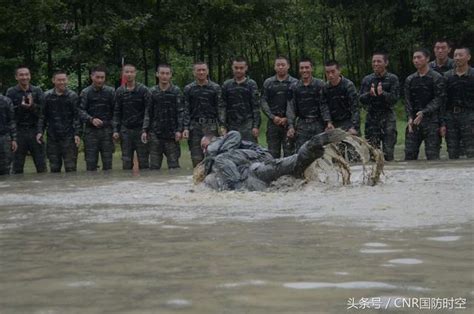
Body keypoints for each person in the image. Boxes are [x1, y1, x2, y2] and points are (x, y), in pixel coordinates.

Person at [198, 128, 347, 191]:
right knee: (288, 166)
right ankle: (309, 148)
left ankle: (310, 148)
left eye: (205, 146)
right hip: (256, 170)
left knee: (282, 169)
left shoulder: (218, 152)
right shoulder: (218, 161)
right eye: (203, 148)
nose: (205, 150)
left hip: (250, 174)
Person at [404, 49, 445, 160]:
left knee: (433, 156)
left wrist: (424, 112)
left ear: (427, 59)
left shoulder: (436, 77)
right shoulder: (410, 79)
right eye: (414, 58)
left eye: (419, 57)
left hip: (431, 121)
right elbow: (407, 100)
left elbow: (439, 99)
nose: (416, 60)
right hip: (414, 122)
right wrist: (409, 117)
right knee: (409, 155)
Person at [37, 71, 81, 172]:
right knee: (54, 168)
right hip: (52, 137)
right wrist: (40, 132)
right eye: (59, 80)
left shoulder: (72, 96)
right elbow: (42, 116)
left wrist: (77, 134)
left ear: (67, 80)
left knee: (71, 167)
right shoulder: (46, 96)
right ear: (53, 81)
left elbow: (77, 117)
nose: (62, 82)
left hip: (69, 137)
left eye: (64, 80)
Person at [143, 64, 185, 169]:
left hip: (172, 135)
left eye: (167, 73)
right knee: (154, 168)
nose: (164, 76)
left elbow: (180, 112)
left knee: (174, 168)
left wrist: (179, 130)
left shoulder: (176, 91)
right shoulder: (151, 92)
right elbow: (148, 112)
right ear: (157, 74)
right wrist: (145, 130)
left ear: (171, 75)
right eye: (162, 73)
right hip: (155, 135)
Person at [183, 62, 225, 167]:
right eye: (198, 70)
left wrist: (222, 125)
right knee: (196, 159)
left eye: (203, 70)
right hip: (195, 127)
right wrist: (186, 128)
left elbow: (220, 108)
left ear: (207, 71)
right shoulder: (189, 89)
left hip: (211, 127)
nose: (201, 72)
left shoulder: (215, 88)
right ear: (194, 72)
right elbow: (186, 109)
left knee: (212, 156)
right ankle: (197, 181)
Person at [359, 52, 400, 161]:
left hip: (388, 118)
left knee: (388, 153)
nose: (376, 64)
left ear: (386, 63)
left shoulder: (392, 79)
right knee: (373, 155)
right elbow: (361, 99)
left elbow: (395, 99)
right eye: (374, 61)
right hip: (372, 119)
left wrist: (383, 94)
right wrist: (369, 94)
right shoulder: (367, 79)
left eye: (379, 61)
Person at [287, 58, 334, 150]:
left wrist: (328, 122)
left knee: (322, 153)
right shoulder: (294, 87)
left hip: (318, 124)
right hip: (302, 125)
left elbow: (325, 105)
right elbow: (291, 108)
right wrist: (291, 126)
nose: (304, 70)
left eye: (307, 67)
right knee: (302, 154)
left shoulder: (320, 84)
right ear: (299, 70)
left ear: (311, 68)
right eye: (302, 68)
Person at [6, 66, 46, 174]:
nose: (24, 77)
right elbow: (9, 115)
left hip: (35, 131)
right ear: (16, 77)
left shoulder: (37, 91)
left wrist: (32, 106)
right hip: (19, 131)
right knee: (17, 167)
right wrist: (21, 106)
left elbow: (43, 114)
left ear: (30, 76)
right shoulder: (11, 92)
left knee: (41, 166)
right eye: (21, 75)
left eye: (26, 74)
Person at [113, 64, 150, 170]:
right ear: (123, 74)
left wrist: (145, 130)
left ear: (135, 73)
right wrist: (116, 130)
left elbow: (148, 111)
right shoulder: (119, 91)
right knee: (126, 163)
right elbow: (117, 112)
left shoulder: (143, 90)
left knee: (144, 162)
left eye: (131, 72)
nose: (129, 74)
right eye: (127, 72)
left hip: (140, 130)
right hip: (125, 131)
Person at [78, 66, 116, 171]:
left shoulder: (111, 92)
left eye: (102, 77)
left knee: (108, 165)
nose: (100, 80)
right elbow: (80, 111)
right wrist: (91, 119)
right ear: (92, 77)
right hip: (91, 133)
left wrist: (115, 130)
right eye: (97, 77)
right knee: (90, 165)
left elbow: (116, 112)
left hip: (107, 132)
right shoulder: (85, 92)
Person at [261, 56, 298, 158]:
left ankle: (289, 174)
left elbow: (297, 103)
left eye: (283, 65)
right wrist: (272, 117)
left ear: (288, 66)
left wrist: (288, 119)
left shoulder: (294, 83)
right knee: (272, 154)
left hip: (289, 124)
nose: (280, 67)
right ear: (274, 67)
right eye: (278, 65)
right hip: (273, 123)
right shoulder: (268, 82)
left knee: (289, 154)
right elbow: (263, 101)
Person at [442, 47, 474, 159]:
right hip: (451, 117)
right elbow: (443, 100)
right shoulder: (447, 76)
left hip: (469, 117)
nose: (457, 58)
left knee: (471, 151)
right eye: (455, 55)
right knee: (452, 151)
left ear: (468, 57)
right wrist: (442, 123)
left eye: (460, 55)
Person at [221, 56, 260, 142]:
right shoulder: (227, 85)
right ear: (232, 68)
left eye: (241, 68)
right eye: (236, 68)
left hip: (248, 124)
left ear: (246, 68)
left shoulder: (251, 84)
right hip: (231, 125)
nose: (238, 70)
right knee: (231, 151)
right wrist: (223, 125)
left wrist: (256, 126)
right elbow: (223, 106)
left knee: (249, 152)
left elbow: (256, 107)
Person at [322, 60, 359, 134]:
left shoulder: (348, 85)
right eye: (327, 72)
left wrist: (354, 127)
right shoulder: (325, 88)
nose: (330, 75)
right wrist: (328, 122)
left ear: (339, 71)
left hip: (348, 122)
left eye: (333, 72)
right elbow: (324, 106)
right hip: (333, 124)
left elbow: (355, 108)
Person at [0, 94, 17, 175]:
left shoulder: (6, 100)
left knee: (6, 167)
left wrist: (14, 139)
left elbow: (11, 120)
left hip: (4, 137)